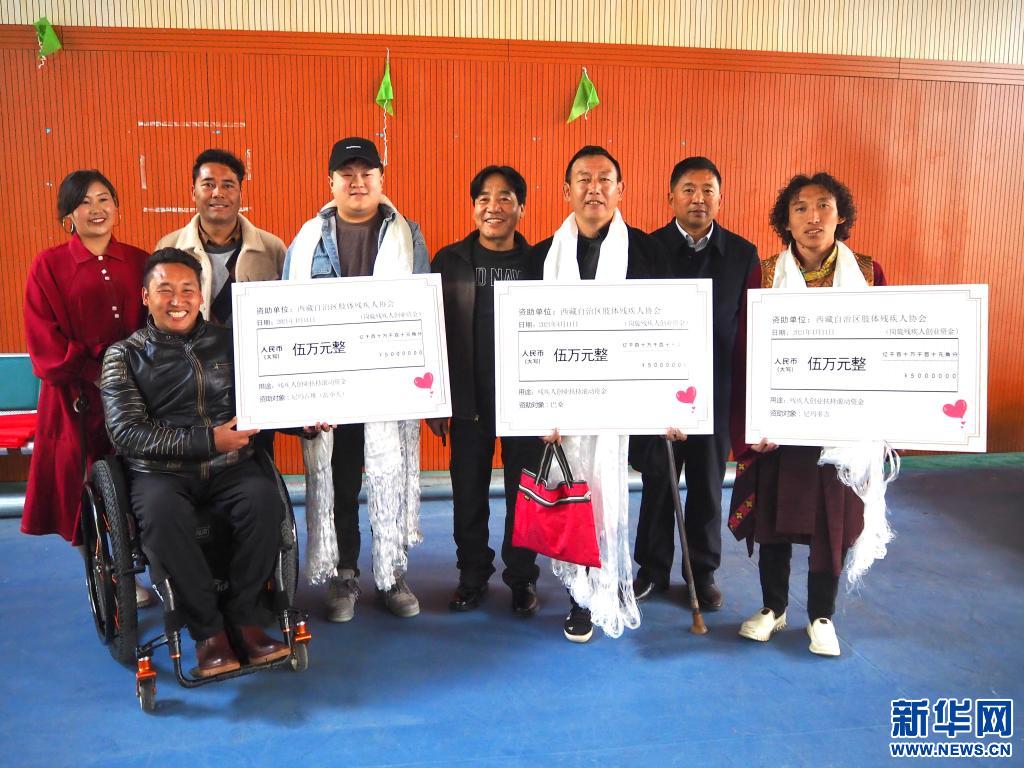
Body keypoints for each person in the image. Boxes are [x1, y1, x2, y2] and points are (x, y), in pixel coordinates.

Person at [101, 248, 290, 677]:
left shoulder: (233, 342)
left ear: (201, 296)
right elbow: (127, 432)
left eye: (188, 289)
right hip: (160, 473)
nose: (178, 300)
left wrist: (306, 422)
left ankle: (244, 618)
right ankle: (209, 631)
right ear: (145, 296)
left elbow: (271, 397)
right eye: (164, 290)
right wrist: (208, 440)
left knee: (264, 500)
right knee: (163, 515)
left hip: (230, 466)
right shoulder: (123, 356)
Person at [729, 172, 887, 657]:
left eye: (823, 206)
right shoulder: (766, 273)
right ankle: (773, 608)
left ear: (841, 216)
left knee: (830, 522)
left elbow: (885, 348)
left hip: (840, 429)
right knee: (774, 517)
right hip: (782, 425)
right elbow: (746, 352)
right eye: (800, 208)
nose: (812, 217)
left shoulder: (868, 273)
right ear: (786, 220)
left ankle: (821, 615)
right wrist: (753, 426)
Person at [283, 137, 429, 622]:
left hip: (387, 388)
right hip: (332, 390)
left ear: (381, 179)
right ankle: (345, 573)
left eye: (367, 173)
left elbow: (423, 313)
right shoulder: (307, 240)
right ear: (331, 182)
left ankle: (391, 574)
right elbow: (287, 312)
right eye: (347, 174)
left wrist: (425, 390)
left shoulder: (407, 234)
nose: (357, 182)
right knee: (340, 484)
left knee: (390, 478)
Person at [531, 145, 670, 642]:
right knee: (575, 497)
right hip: (566, 409)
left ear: (620, 189)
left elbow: (666, 331)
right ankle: (579, 598)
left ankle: (607, 583)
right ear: (566, 190)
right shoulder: (541, 257)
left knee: (608, 496)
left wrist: (672, 404)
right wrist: (537, 406)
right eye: (583, 179)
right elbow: (529, 338)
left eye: (605, 179)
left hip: (623, 407)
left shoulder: (649, 253)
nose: (594, 188)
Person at [631, 157, 759, 610]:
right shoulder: (646, 249)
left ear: (720, 199)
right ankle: (651, 570)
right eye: (688, 189)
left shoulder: (742, 254)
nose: (698, 198)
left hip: (716, 394)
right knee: (658, 483)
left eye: (708, 190)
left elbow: (751, 329)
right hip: (659, 392)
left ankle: (701, 574)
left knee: (707, 484)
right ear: (670, 197)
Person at [21, 169, 152, 606]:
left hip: (134, 395)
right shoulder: (48, 265)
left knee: (137, 481)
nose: (96, 209)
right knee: (79, 489)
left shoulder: (139, 261)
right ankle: (102, 574)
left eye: (104, 199)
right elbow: (43, 339)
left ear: (117, 207)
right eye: (84, 202)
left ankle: (133, 566)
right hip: (73, 397)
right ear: (68, 217)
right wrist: (94, 370)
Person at [428, 165, 545, 616]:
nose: (493, 207)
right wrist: (436, 400)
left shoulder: (540, 262)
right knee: (468, 494)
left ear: (521, 207)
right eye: (484, 199)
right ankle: (472, 576)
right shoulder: (450, 261)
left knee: (525, 494)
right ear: (473, 207)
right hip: (467, 400)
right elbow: (432, 331)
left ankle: (522, 577)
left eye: (505, 198)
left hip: (524, 401)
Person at [156, 148, 286, 326]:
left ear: (240, 194)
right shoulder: (169, 247)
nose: (218, 193)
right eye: (208, 185)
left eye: (228, 185)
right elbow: (158, 312)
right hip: (190, 345)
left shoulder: (272, 248)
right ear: (193, 192)